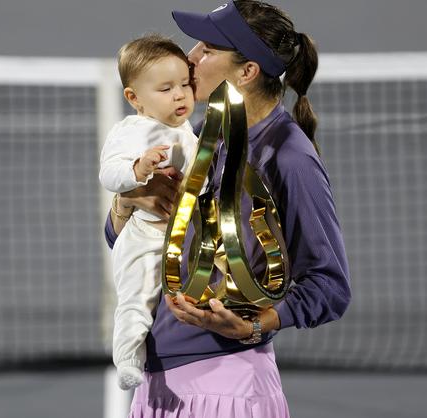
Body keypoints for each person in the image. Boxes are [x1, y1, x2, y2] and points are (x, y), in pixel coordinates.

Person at [104, 1, 351, 416]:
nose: (190, 58)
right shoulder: (199, 137)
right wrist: (126, 203)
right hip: (159, 378)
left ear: (247, 72)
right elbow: (123, 240)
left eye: (206, 49)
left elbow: (329, 286)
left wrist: (256, 325)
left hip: (225, 383)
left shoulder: (289, 157)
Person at [99, 34, 198, 391]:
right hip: (144, 235)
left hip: (183, 237)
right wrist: (138, 170)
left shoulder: (187, 131)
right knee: (137, 296)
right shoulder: (131, 131)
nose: (179, 94)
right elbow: (108, 172)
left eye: (185, 84)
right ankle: (127, 359)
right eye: (166, 88)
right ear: (134, 98)